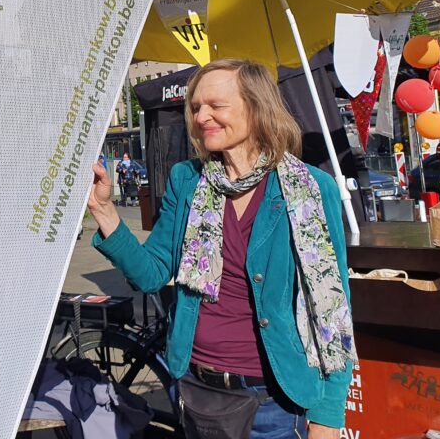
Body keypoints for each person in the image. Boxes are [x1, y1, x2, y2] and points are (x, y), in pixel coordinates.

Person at [87, 60, 354, 439]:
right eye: (195, 108)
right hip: (197, 391)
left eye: (216, 105)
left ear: (256, 107)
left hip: (275, 400)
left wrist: (328, 416)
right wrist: (104, 210)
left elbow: (333, 307)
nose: (201, 116)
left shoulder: (311, 188)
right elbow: (151, 272)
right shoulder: (187, 180)